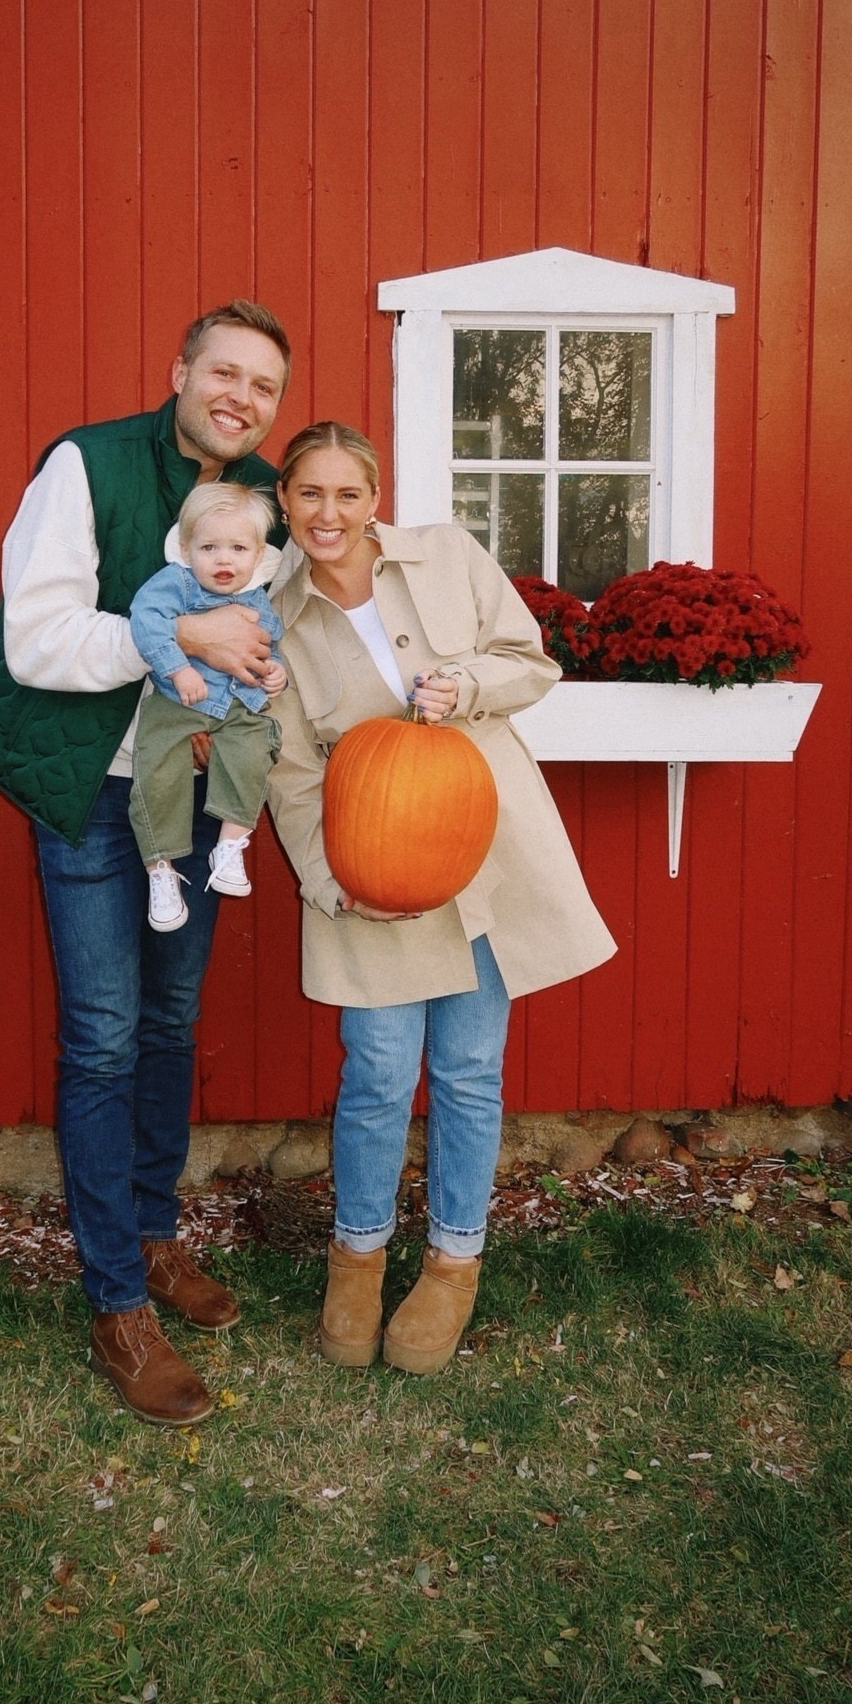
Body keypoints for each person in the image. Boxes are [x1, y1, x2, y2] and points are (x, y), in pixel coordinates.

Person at [0, 302, 289, 1426]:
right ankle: (116, 1302)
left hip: (195, 796)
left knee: (169, 1023)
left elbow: (278, 634)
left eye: (262, 384)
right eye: (224, 371)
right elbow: (36, 636)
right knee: (103, 1033)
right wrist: (177, 638)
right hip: (88, 788)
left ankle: (153, 1238)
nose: (240, 395)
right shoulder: (85, 462)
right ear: (179, 372)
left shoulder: (262, 504)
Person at [265, 422, 616, 1376]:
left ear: (374, 496)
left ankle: (455, 1263)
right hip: (370, 869)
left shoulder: (449, 556)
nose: (328, 514)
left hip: (485, 850)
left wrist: (464, 684)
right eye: (308, 495)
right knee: (376, 1074)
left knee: (468, 1069)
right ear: (284, 502)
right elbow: (291, 775)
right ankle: (358, 1258)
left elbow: (532, 663)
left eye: (347, 494)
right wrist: (334, 884)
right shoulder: (276, 619)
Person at [128, 481, 288, 932]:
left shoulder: (257, 598)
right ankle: (160, 870)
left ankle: (231, 845)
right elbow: (148, 621)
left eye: (238, 548)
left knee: (255, 747)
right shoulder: (175, 583)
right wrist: (178, 668)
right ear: (185, 549)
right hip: (179, 699)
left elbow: (267, 646)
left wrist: (275, 672)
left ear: (257, 556)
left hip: (237, 701)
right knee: (156, 769)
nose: (223, 560)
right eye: (209, 547)